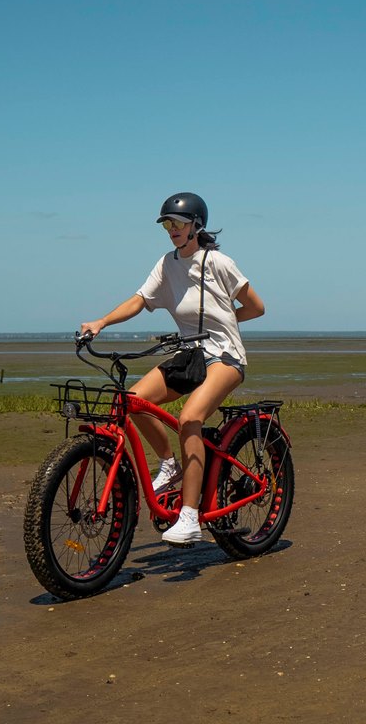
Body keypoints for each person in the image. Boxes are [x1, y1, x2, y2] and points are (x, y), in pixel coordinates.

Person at [79, 192, 265, 546]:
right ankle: (169, 465)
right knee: (131, 400)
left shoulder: (220, 263)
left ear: (197, 226)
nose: (171, 230)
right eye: (167, 224)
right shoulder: (166, 265)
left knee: (190, 419)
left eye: (177, 223)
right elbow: (139, 300)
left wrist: (227, 322)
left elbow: (256, 307)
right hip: (190, 355)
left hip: (225, 356)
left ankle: (190, 516)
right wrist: (102, 321)